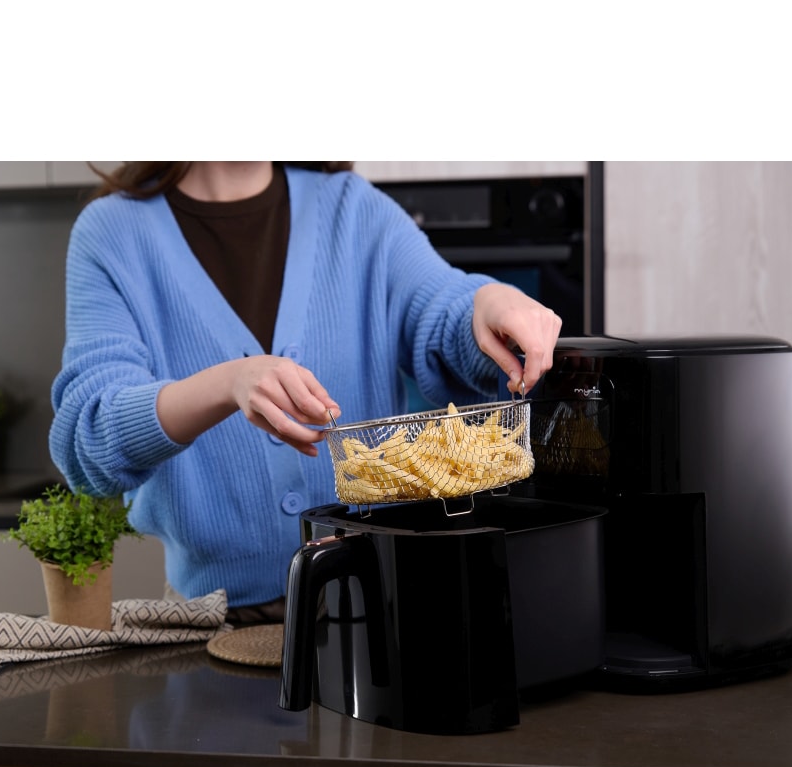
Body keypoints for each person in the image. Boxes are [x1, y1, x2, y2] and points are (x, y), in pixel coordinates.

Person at [50, 161, 562, 624]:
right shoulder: (112, 232)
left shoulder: (354, 208)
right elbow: (88, 439)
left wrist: (490, 301)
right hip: (210, 621)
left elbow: (444, 312)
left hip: (376, 606)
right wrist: (227, 383)